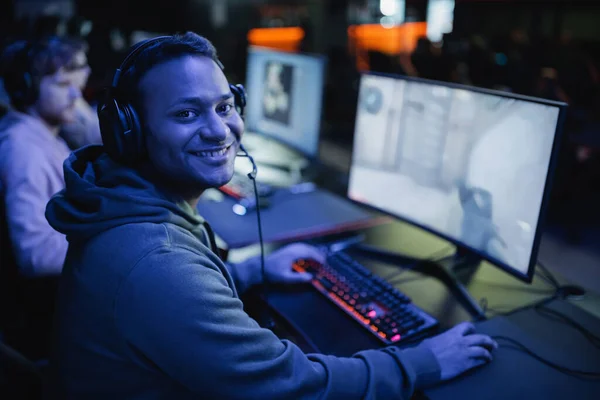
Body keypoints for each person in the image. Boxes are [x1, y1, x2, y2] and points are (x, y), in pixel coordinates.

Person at [45, 33, 497, 399]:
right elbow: (289, 386)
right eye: (186, 113)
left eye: (224, 106)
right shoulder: (156, 261)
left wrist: (248, 271)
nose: (220, 130)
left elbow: (169, 303)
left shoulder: (126, 204)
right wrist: (421, 363)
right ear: (131, 132)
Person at [0, 36, 92, 360]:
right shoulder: (22, 148)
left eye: (78, 84)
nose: (75, 95)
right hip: (47, 324)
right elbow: (34, 253)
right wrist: (105, 244)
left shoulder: (42, 134)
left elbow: (95, 134)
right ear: (27, 87)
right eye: (62, 84)